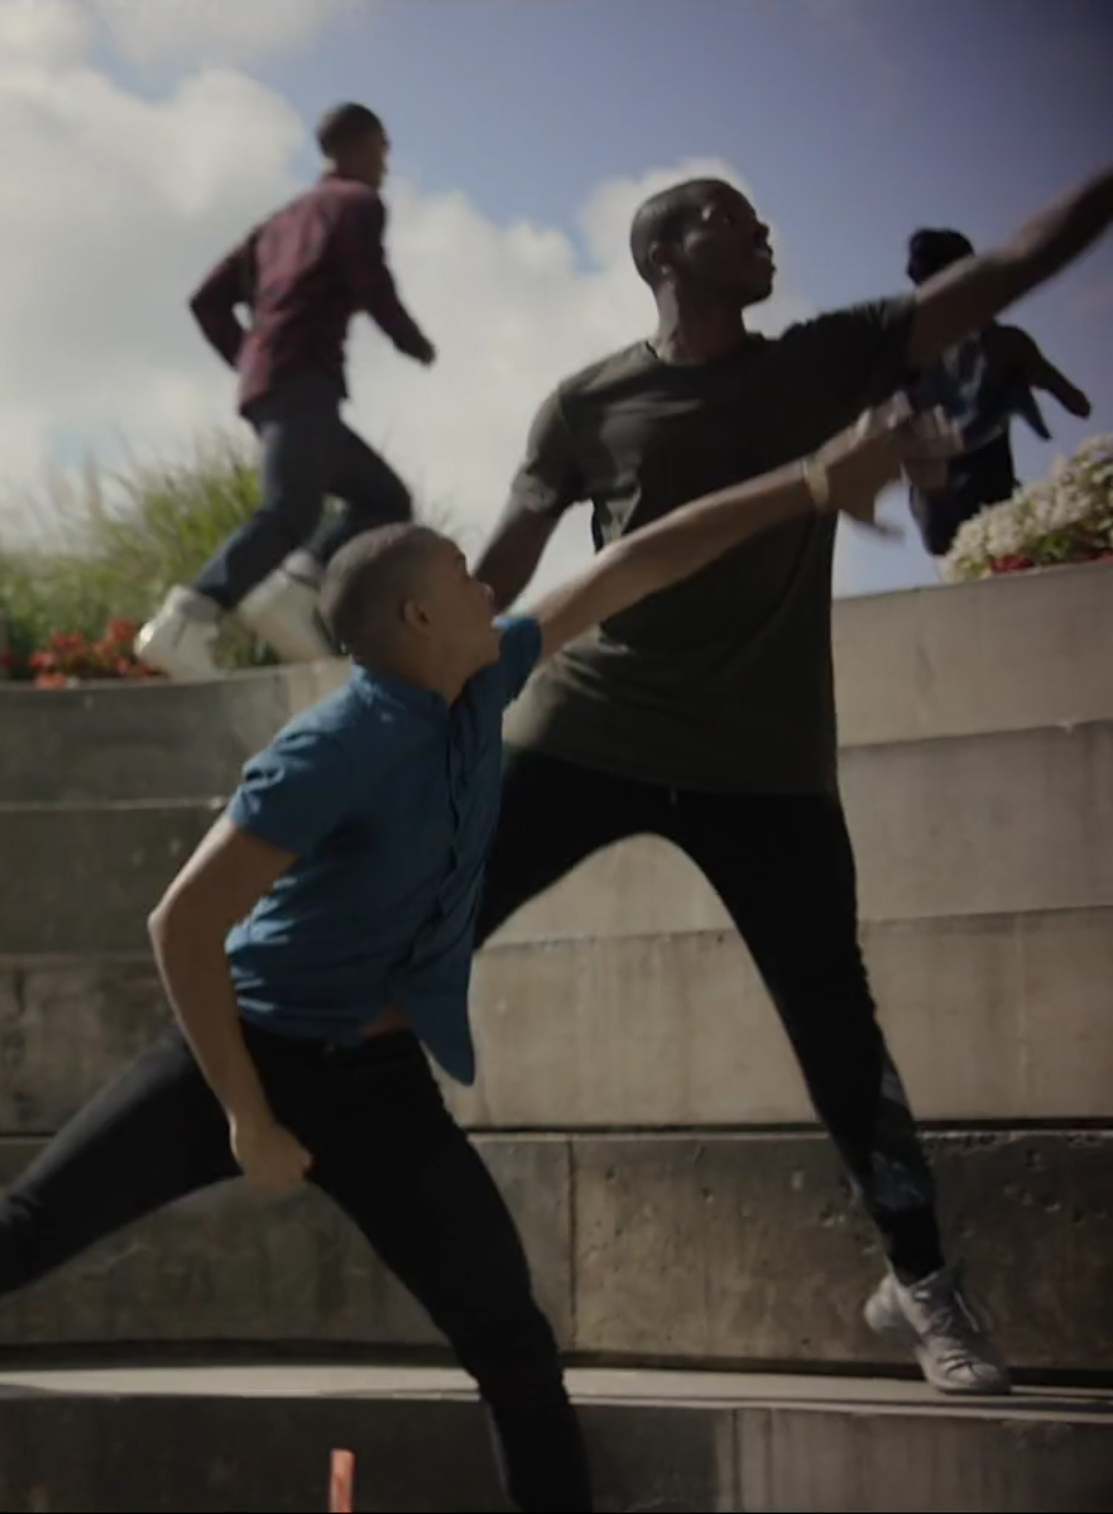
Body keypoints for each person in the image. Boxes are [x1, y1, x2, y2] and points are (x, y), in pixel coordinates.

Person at [0, 402, 956, 1514]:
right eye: (463, 582)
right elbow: (182, 922)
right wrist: (245, 1112)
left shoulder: (477, 674)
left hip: (382, 1084)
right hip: (237, 1053)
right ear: (413, 622)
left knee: (510, 1335)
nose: (491, 589)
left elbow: (636, 561)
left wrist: (811, 483)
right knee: (4, 1241)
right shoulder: (334, 745)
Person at [469, 164, 1113, 1397]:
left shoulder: (826, 359)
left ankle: (920, 1281)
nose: (761, 228)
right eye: (729, 216)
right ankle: (284, 1096)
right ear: (662, 253)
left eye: (759, 217)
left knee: (838, 1030)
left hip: (762, 761)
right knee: (427, 916)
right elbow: (497, 571)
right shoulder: (586, 404)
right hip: (591, 727)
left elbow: (1012, 263)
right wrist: (398, 675)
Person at [134, 102, 438, 681]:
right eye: (381, 150)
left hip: (279, 385)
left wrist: (252, 358)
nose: (384, 164)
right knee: (290, 510)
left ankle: (294, 587)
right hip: (304, 381)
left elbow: (207, 300)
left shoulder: (277, 222)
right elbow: (369, 278)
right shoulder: (355, 203)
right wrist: (409, 338)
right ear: (356, 146)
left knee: (384, 499)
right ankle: (187, 619)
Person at [897, 226, 1093, 560]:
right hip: (990, 503)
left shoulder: (904, 356)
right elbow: (1078, 405)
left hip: (935, 513)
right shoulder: (1005, 343)